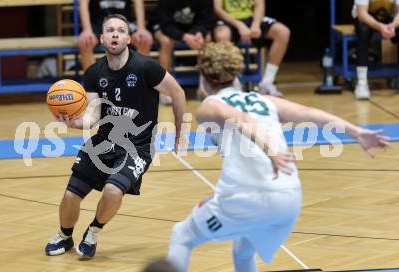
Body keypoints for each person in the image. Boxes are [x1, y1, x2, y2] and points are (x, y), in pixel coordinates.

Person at [166, 42, 390, 272]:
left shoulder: (209, 106)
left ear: (203, 77)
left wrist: (271, 151)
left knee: (182, 235)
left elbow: (241, 119)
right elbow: (307, 113)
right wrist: (357, 132)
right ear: (236, 75)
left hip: (249, 197)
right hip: (289, 199)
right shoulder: (263, 100)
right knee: (243, 249)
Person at [45, 14, 187, 258]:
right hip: (103, 143)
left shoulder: (145, 67)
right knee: (70, 195)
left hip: (137, 146)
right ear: (101, 38)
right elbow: (93, 117)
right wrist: (72, 122)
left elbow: (178, 92)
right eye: (110, 30)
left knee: (113, 190)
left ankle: (94, 230)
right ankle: (64, 235)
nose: (115, 34)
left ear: (128, 38)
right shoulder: (93, 73)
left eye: (121, 30)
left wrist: (180, 131)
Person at [213, 0, 290, 97]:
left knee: (282, 32)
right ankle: (233, 82)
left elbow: (259, 4)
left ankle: (267, 82)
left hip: (251, 18)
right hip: (229, 20)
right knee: (222, 35)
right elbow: (218, 9)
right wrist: (240, 25)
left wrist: (256, 24)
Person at [78, 0, 153, 70]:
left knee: (144, 39)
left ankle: (139, 80)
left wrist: (141, 28)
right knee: (85, 41)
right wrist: (87, 30)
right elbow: (83, 3)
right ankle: (93, 82)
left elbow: (138, 2)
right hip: (99, 23)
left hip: (124, 22)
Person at [352, 0, 399, 100]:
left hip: (388, 19)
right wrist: (381, 27)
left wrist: (393, 26)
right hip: (366, 18)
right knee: (363, 31)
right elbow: (362, 14)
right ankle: (362, 83)